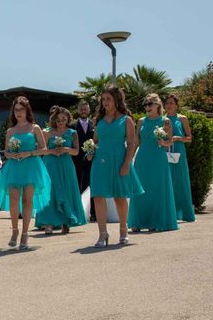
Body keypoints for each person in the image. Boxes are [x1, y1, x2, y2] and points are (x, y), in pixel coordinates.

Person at [87, 84, 144, 247]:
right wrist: (90, 152)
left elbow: (132, 143)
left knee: (119, 197)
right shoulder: (99, 121)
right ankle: (102, 233)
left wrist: (127, 164)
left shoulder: (126, 120)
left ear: (116, 100)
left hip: (119, 161)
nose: (105, 102)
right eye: (103, 99)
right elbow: (95, 141)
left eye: (108, 99)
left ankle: (123, 230)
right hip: (100, 163)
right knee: (98, 196)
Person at [0, 96, 51, 250]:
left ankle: (25, 235)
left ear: (27, 110)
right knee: (14, 199)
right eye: (16, 110)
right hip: (14, 168)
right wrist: (10, 155)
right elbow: (6, 152)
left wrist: (29, 153)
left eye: (21, 109)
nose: (18, 112)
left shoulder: (35, 128)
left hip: (31, 167)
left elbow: (44, 149)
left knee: (27, 200)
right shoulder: (10, 130)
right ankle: (14, 231)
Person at [128, 93, 178, 232]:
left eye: (150, 104)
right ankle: (138, 222)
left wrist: (164, 142)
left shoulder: (166, 121)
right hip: (142, 158)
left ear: (157, 105)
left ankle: (154, 221)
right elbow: (137, 141)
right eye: (145, 104)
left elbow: (170, 141)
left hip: (158, 158)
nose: (147, 107)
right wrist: (128, 161)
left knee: (156, 188)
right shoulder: (141, 121)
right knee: (140, 189)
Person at [36, 106, 86, 233]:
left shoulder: (72, 133)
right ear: (54, 119)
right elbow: (41, 150)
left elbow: (76, 151)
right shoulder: (46, 132)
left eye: (64, 119)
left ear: (68, 119)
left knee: (67, 190)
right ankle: (49, 223)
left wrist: (65, 149)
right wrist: (53, 151)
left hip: (66, 165)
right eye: (58, 119)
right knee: (50, 192)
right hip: (50, 164)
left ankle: (66, 221)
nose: (61, 121)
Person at [164, 93, 196, 222]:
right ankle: (169, 213)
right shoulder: (161, 119)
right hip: (165, 152)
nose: (169, 105)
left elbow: (189, 138)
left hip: (179, 152)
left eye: (172, 103)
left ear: (177, 105)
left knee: (181, 181)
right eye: (167, 103)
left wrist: (179, 138)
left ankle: (185, 213)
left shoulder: (182, 118)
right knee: (167, 181)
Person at [71, 100, 95, 220]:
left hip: (92, 159)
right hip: (76, 160)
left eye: (85, 109)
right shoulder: (72, 126)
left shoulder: (94, 124)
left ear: (89, 110)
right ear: (78, 110)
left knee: (93, 185)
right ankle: (78, 212)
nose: (83, 111)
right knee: (77, 185)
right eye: (81, 109)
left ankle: (94, 213)